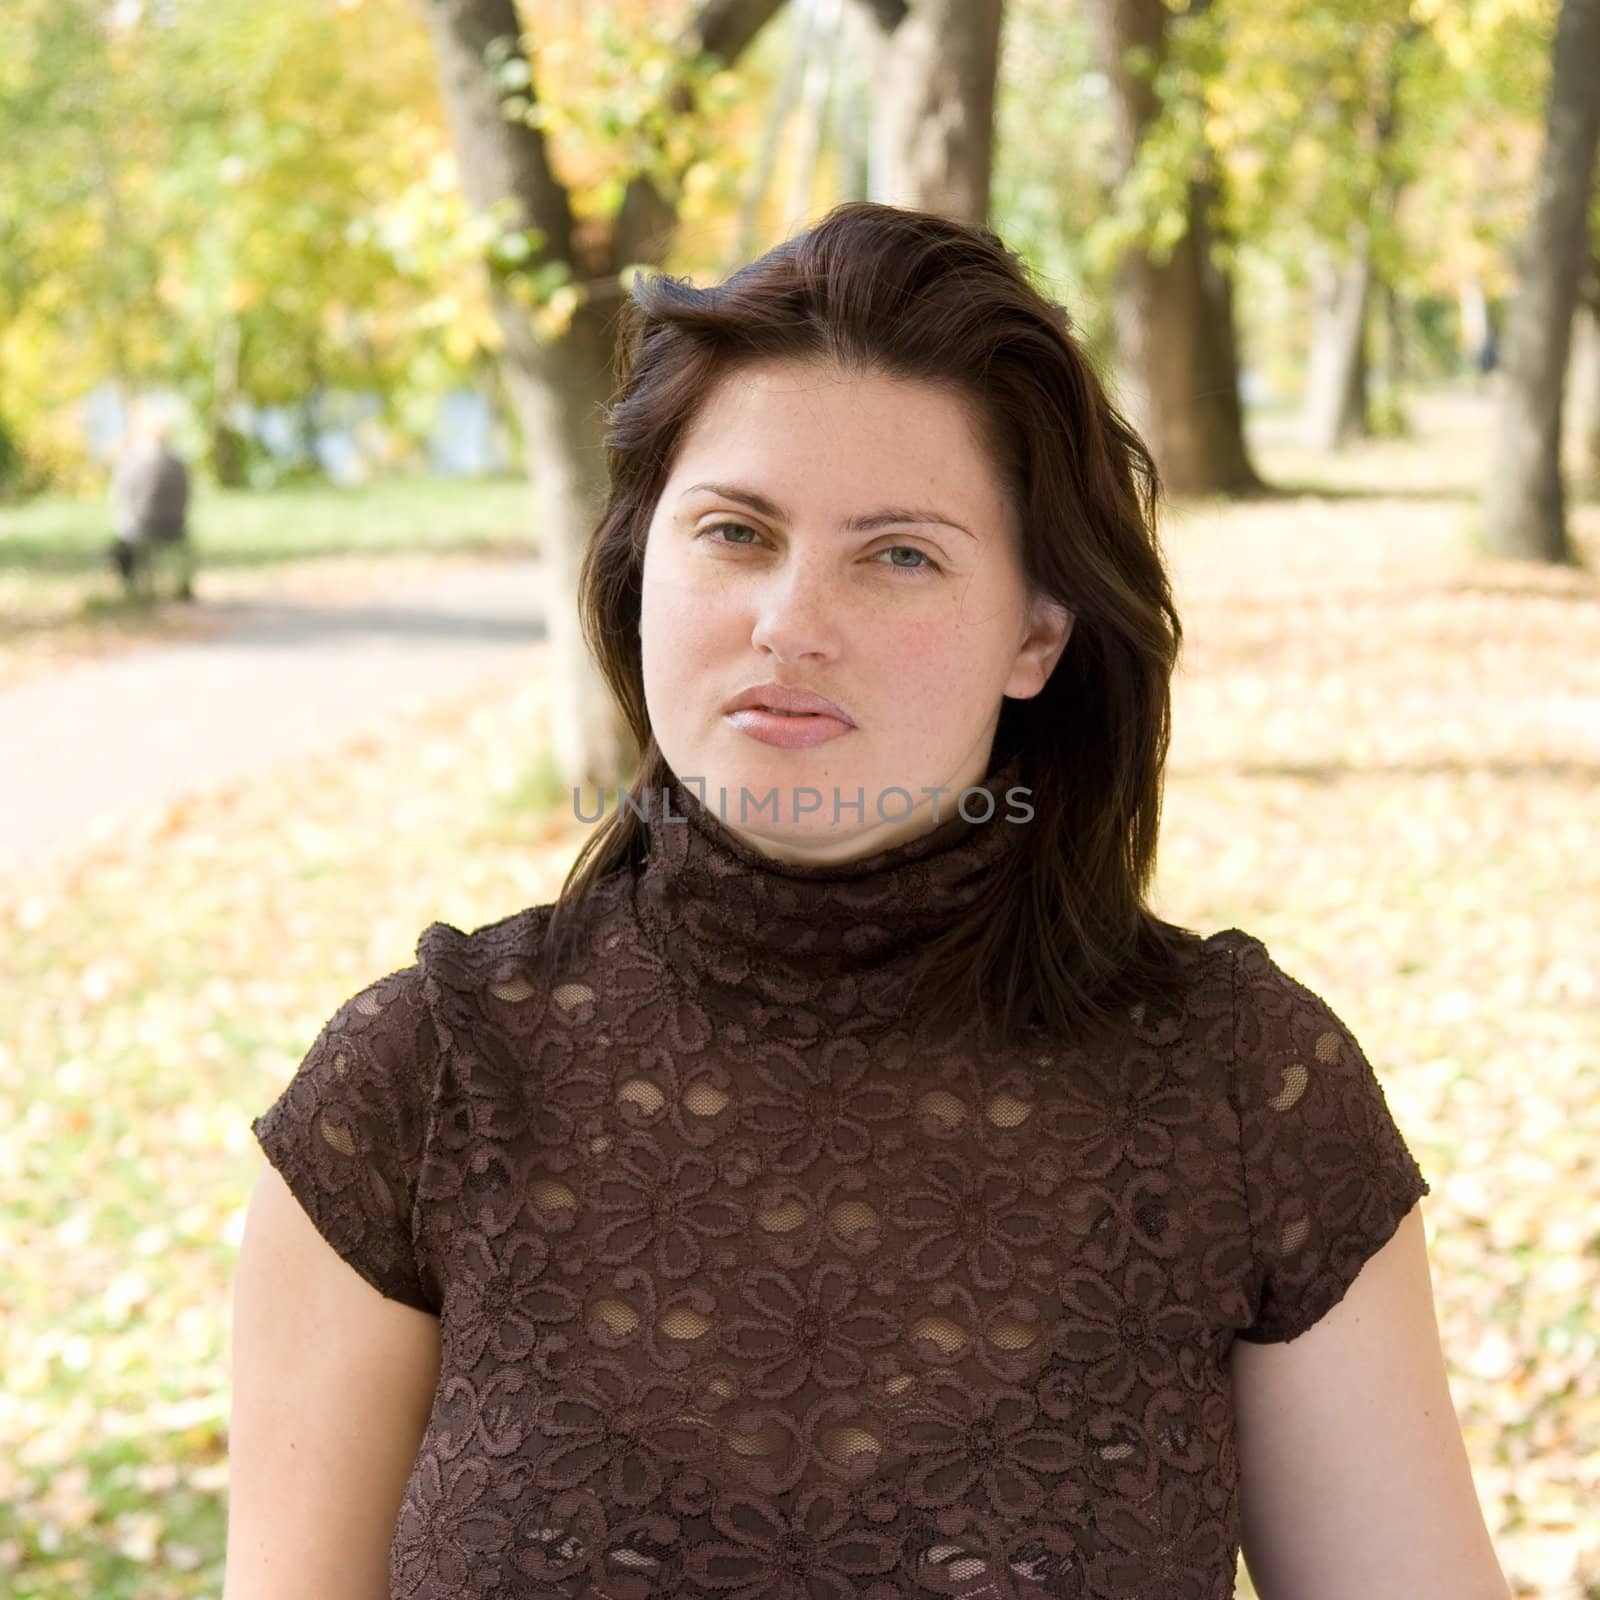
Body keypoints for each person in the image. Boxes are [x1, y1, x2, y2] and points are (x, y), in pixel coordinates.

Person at [226, 204, 1512, 1599]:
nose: (791, 619)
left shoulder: (1242, 1090)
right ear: (639, 567)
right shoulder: (417, 1089)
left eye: (898, 554)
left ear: (1036, 634)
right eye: (734, 531)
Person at [107, 412, 196, 601]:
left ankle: (131, 589)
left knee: (120, 545)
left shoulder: (132, 462)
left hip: (143, 526)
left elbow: (120, 496)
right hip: (176, 526)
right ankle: (182, 586)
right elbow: (187, 495)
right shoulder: (179, 463)